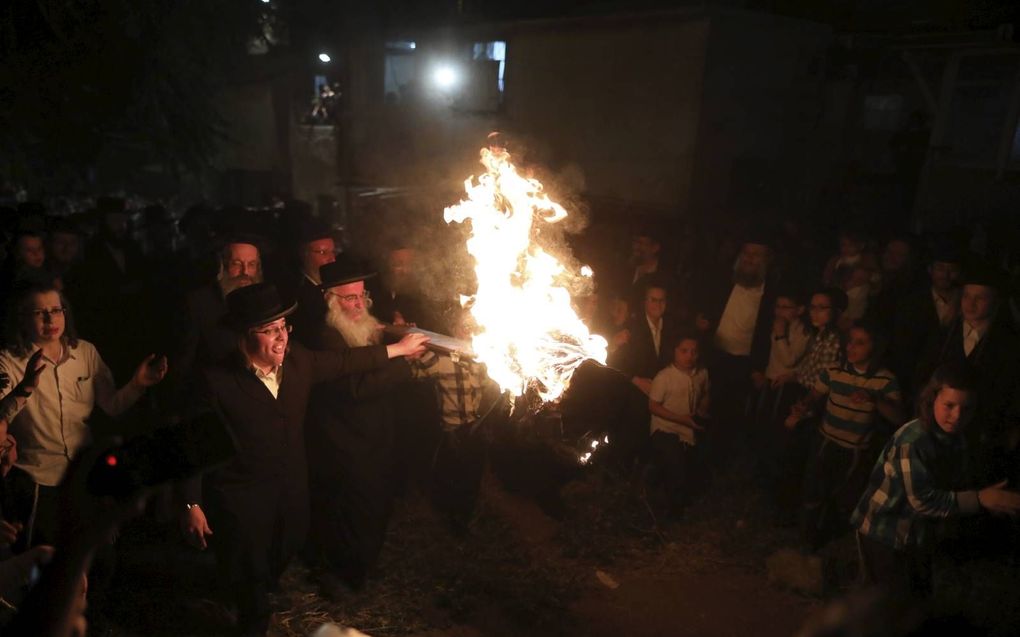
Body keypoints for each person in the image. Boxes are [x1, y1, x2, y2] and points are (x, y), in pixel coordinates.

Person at [179, 282, 427, 636]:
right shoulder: (217, 381)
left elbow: (346, 361)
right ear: (245, 336)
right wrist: (191, 502)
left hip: (292, 490)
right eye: (269, 331)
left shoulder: (300, 361)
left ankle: (258, 584)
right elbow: (194, 442)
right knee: (251, 579)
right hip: (242, 496)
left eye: (283, 328)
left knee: (286, 547)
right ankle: (251, 613)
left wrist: (399, 349)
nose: (280, 339)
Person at [0, 283, 166, 548]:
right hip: (35, 481)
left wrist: (138, 384)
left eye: (56, 310)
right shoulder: (9, 360)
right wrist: (25, 388)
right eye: (39, 312)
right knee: (41, 558)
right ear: (22, 317)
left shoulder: (85, 352)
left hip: (83, 476)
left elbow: (111, 405)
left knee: (93, 557)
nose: (50, 319)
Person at [852, 364, 1020, 598]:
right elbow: (922, 500)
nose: (957, 416)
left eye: (967, 408)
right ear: (931, 400)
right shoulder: (913, 441)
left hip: (915, 534)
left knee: (915, 599)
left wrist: (991, 500)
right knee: (887, 606)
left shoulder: (957, 436)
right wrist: (980, 499)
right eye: (949, 406)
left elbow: (953, 482)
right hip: (884, 532)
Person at [303, 259, 417, 595]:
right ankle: (343, 575)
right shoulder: (327, 336)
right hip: (346, 443)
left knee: (377, 504)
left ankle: (365, 564)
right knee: (351, 511)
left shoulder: (364, 324)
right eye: (348, 299)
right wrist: (403, 361)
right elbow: (354, 388)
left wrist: (395, 333)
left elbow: (375, 352)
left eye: (360, 297)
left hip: (377, 436)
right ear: (330, 300)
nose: (357, 305)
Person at [787, 320, 903, 551]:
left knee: (843, 498)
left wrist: (874, 400)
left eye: (860, 343)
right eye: (850, 341)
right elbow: (814, 397)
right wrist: (802, 407)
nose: (851, 347)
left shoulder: (884, 380)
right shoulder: (834, 372)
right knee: (813, 491)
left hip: (855, 451)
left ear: (875, 347)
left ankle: (835, 543)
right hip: (825, 443)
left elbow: (899, 418)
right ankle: (807, 543)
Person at [647, 331, 711, 518]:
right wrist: (682, 419)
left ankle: (670, 492)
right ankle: (673, 511)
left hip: (690, 430)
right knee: (676, 466)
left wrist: (702, 410)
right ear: (675, 352)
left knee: (692, 466)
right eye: (684, 351)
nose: (689, 356)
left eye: (694, 352)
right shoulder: (664, 377)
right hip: (665, 429)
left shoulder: (702, 373)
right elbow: (653, 406)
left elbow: (706, 393)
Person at [609, 282, 678, 396]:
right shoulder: (632, 326)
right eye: (653, 300)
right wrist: (636, 380)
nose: (658, 304)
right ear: (645, 302)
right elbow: (617, 361)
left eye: (662, 300)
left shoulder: (671, 326)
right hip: (636, 392)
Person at [288, 219, 337, 347]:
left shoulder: (336, 286)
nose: (332, 259)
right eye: (322, 252)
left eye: (333, 252)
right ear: (304, 255)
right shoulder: (297, 296)